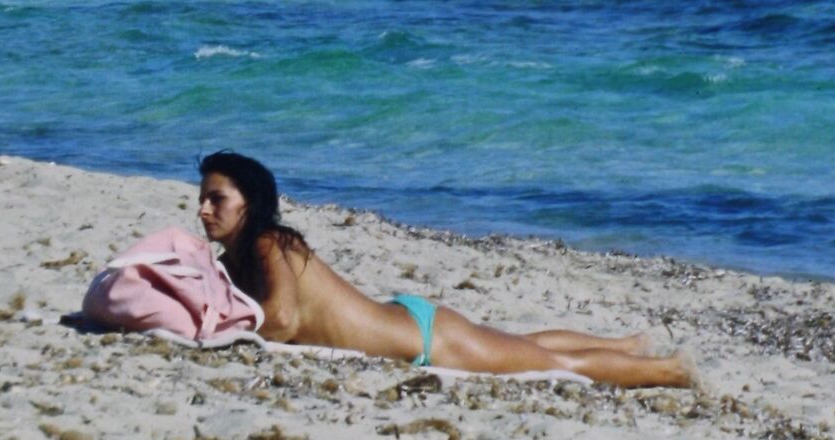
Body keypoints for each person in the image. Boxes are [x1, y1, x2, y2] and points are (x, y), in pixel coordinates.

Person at [196, 151, 693, 388]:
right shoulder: (235, 259)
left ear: (249, 203)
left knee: (555, 367)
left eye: (217, 199)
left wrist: (216, 330)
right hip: (406, 323)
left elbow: (283, 320)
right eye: (203, 199)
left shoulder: (269, 242)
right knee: (522, 345)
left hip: (428, 341)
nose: (203, 209)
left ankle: (668, 370)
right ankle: (625, 345)